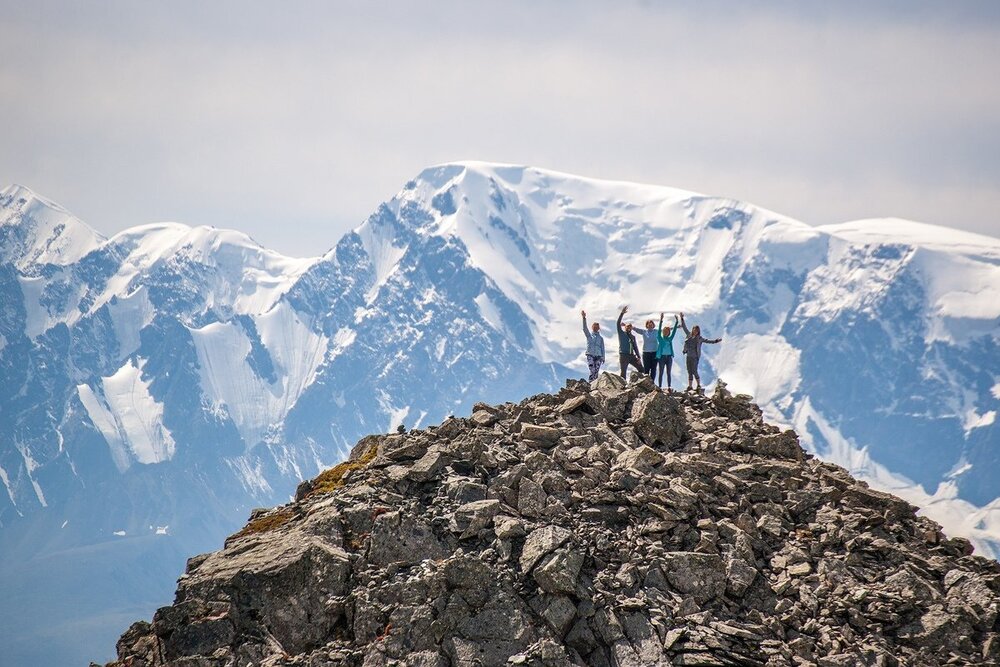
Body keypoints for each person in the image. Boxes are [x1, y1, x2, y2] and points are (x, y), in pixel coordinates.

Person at [679, 312, 721, 392]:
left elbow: (708, 341)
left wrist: (716, 341)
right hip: (688, 356)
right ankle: (690, 386)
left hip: (695, 357)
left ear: (698, 331)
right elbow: (684, 327)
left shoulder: (700, 338)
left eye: (696, 330)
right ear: (692, 330)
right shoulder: (689, 335)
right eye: (694, 330)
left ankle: (698, 385)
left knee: (694, 371)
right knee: (689, 371)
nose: (695, 331)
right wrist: (681, 318)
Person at [616, 305, 644, 379]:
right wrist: (622, 313)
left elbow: (635, 347)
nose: (629, 327)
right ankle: (623, 387)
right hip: (623, 355)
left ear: (631, 328)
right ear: (625, 327)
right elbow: (618, 323)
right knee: (623, 373)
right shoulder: (621, 333)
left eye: (630, 326)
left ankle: (637, 383)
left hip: (632, 356)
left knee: (641, 369)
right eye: (627, 326)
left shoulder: (633, 337)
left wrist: (638, 356)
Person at [655, 312, 680, 390]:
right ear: (663, 332)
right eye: (664, 331)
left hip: (669, 357)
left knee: (669, 372)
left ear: (669, 333)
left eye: (667, 331)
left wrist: (676, 322)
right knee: (661, 372)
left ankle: (669, 386)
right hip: (661, 357)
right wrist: (661, 320)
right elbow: (659, 330)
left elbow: (674, 331)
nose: (666, 332)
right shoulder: (660, 338)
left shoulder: (670, 339)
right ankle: (660, 386)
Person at [581, 310, 605, 381]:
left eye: (597, 327)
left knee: (596, 371)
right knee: (592, 370)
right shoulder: (589, 335)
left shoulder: (601, 338)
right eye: (594, 326)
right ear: (592, 327)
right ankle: (591, 384)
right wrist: (584, 318)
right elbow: (585, 329)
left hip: (599, 356)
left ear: (598, 328)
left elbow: (602, 348)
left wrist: (603, 357)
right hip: (590, 354)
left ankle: (594, 386)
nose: (595, 328)